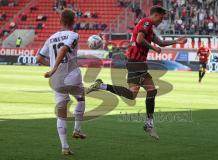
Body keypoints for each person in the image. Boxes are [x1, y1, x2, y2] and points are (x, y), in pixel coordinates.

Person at [86, 5, 187, 139]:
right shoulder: (146, 22)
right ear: (156, 15)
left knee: (133, 94)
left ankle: (101, 85)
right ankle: (149, 124)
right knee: (151, 91)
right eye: (162, 17)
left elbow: (161, 43)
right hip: (136, 62)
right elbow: (139, 40)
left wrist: (176, 41)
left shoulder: (149, 27)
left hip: (136, 63)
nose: (162, 20)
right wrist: (153, 48)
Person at [36, 8, 86, 155]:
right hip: (71, 74)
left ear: (60, 21)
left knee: (61, 112)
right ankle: (77, 130)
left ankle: (65, 147)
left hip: (56, 79)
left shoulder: (50, 38)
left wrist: (52, 68)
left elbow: (38, 58)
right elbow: (63, 50)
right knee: (81, 98)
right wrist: (54, 68)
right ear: (73, 21)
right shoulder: (73, 34)